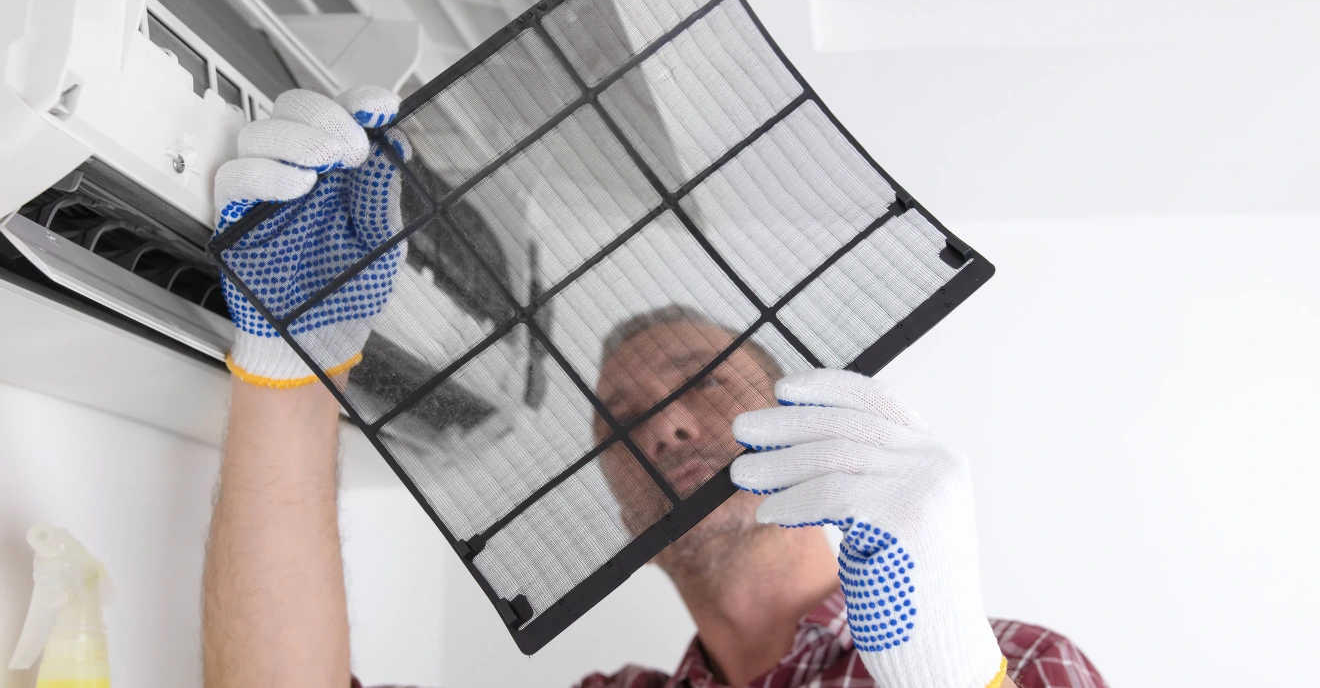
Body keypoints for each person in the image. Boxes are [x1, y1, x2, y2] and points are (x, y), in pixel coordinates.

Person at [202, 87, 1108, 688]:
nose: (664, 427)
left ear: (795, 410)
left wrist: (947, 671)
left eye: (706, 381)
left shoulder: (1019, 661)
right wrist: (294, 369)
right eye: (620, 417)